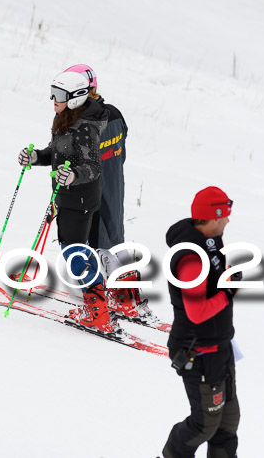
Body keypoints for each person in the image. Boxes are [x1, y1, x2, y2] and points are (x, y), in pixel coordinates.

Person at [17, 67, 120, 333]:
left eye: (59, 95)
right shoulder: (68, 118)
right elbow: (57, 152)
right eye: (52, 94)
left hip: (79, 198)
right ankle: (99, 301)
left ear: (76, 96)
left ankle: (97, 312)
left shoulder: (85, 125)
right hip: (69, 196)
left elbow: (93, 166)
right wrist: (36, 157)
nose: (53, 100)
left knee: (73, 252)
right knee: (78, 248)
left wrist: (73, 175)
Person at [64, 64, 153, 321]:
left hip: (89, 190)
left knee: (94, 242)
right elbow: (122, 142)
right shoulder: (114, 113)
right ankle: (127, 298)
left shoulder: (82, 122)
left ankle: (99, 305)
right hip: (115, 182)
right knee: (115, 237)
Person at [162, 186, 240, 458]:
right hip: (198, 352)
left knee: (227, 423)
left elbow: (212, 288)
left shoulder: (210, 243)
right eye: (224, 216)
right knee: (204, 425)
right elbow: (197, 312)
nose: (228, 221)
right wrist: (228, 291)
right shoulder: (191, 259)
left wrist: (226, 280)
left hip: (219, 347)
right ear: (213, 217)